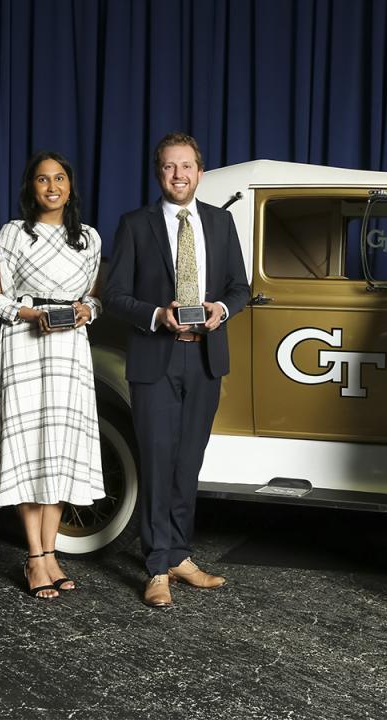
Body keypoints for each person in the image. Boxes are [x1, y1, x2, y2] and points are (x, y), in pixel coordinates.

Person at [103, 132, 250, 608]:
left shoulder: (221, 222)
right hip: (156, 358)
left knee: (189, 462)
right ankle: (156, 565)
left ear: (200, 172)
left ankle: (181, 555)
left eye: (186, 166)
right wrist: (156, 316)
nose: (179, 174)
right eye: (169, 167)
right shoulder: (134, 224)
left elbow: (240, 288)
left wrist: (221, 311)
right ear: (158, 173)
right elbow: (116, 295)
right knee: (157, 460)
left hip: (205, 358)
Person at [0, 152, 105, 599]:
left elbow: (95, 298)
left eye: (59, 178)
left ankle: (51, 553)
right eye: (41, 179)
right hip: (25, 347)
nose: (51, 186)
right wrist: (30, 314)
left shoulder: (90, 238)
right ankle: (34, 557)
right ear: (30, 187)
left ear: (70, 185)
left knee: (59, 451)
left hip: (70, 350)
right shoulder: (13, 233)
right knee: (29, 448)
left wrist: (88, 310)